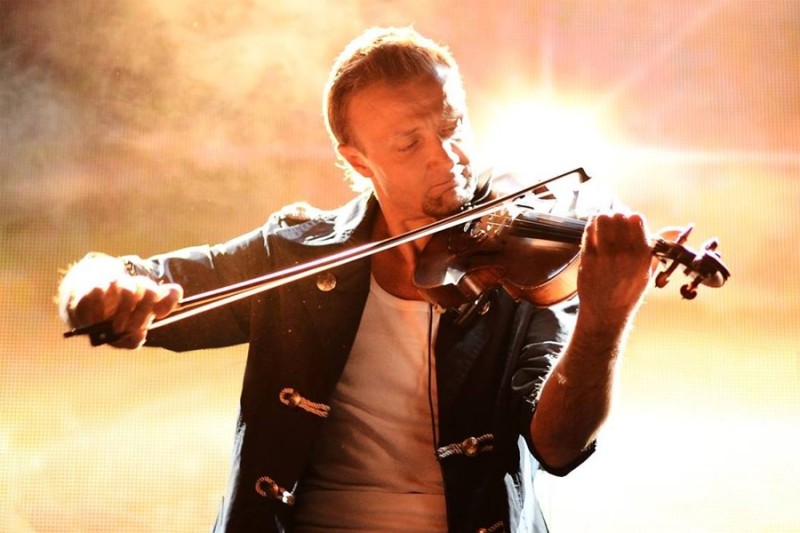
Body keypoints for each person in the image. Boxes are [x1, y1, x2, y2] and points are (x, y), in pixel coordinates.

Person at [57, 27, 654, 533]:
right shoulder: (294, 253)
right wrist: (99, 286)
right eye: (408, 143)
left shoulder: (523, 264)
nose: (447, 158)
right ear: (359, 161)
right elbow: (144, 274)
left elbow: (559, 446)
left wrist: (604, 322)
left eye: (453, 126)